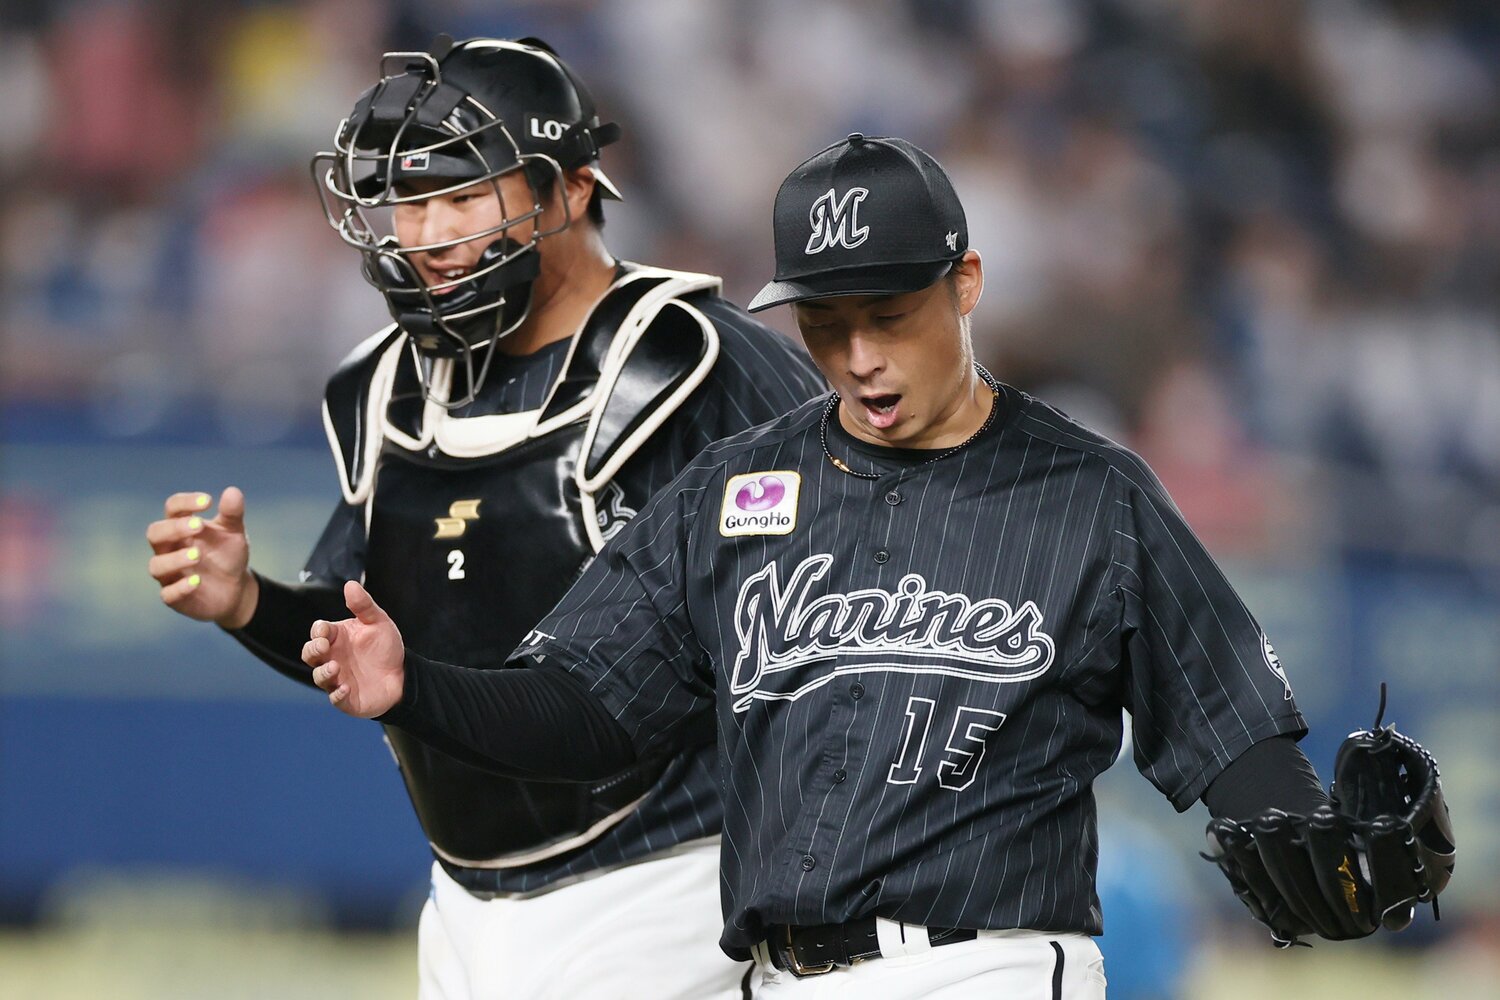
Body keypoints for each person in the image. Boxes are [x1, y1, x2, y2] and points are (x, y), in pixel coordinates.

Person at [302, 134, 1360, 997]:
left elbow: (1227, 722)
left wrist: (1319, 838)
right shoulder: (732, 489)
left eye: (889, 316)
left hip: (979, 967)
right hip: (773, 975)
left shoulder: (1089, 494)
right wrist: (418, 688)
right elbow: (582, 715)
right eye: (827, 320)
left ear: (966, 285)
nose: (858, 355)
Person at [145, 36, 825, 1000]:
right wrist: (249, 602)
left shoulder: (696, 364)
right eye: (410, 201)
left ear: (574, 188)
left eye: (464, 195)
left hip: (674, 882)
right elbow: (367, 645)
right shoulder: (386, 385)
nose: (427, 232)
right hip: (463, 902)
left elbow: (854, 597)